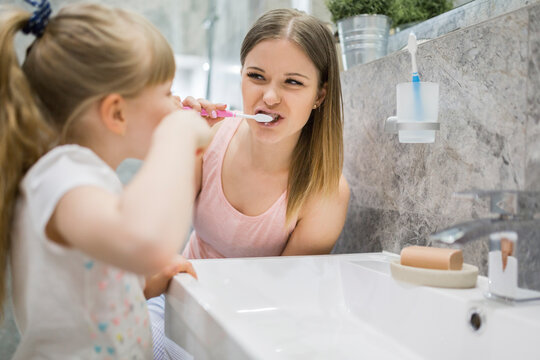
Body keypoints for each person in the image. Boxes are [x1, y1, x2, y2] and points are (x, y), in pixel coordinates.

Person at [0, 1, 210, 358]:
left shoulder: (84, 175)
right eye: (165, 92)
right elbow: (145, 242)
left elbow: (85, 282)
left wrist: (142, 284)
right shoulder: (60, 177)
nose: (176, 102)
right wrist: (178, 135)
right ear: (116, 113)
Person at [149, 7, 350, 358]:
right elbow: (153, 247)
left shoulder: (326, 193)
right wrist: (182, 142)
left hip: (254, 324)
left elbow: (283, 301)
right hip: (177, 303)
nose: (270, 97)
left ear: (320, 95)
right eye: (257, 76)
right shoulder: (209, 140)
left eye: (292, 82)